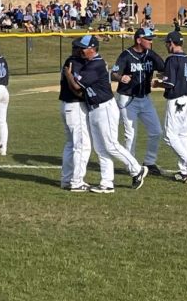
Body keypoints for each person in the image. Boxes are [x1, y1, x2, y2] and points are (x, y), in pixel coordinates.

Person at [64, 34, 149, 193]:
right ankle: (107, 183)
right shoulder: (90, 62)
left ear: (92, 49)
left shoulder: (96, 64)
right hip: (94, 108)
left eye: (84, 49)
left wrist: (69, 74)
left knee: (111, 144)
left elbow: (76, 86)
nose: (82, 51)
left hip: (105, 108)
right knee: (101, 148)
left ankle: (137, 169)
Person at [110, 27, 166, 174]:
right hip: (128, 99)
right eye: (148, 39)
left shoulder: (150, 55)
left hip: (145, 99)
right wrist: (120, 77)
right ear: (138, 40)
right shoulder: (126, 55)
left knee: (157, 131)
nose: (151, 41)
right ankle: (131, 166)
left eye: (151, 39)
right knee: (130, 135)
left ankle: (150, 162)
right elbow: (113, 73)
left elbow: (163, 67)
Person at [153, 31, 187, 183]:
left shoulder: (172, 59)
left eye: (167, 43)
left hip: (176, 101)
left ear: (172, 43)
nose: (167, 45)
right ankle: (185, 171)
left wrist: (157, 83)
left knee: (169, 136)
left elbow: (170, 83)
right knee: (182, 135)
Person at [60, 39, 92, 191]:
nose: (83, 51)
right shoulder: (75, 63)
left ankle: (66, 180)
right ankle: (77, 181)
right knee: (82, 145)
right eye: (81, 49)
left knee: (71, 145)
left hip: (67, 105)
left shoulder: (70, 61)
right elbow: (78, 89)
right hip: (75, 106)